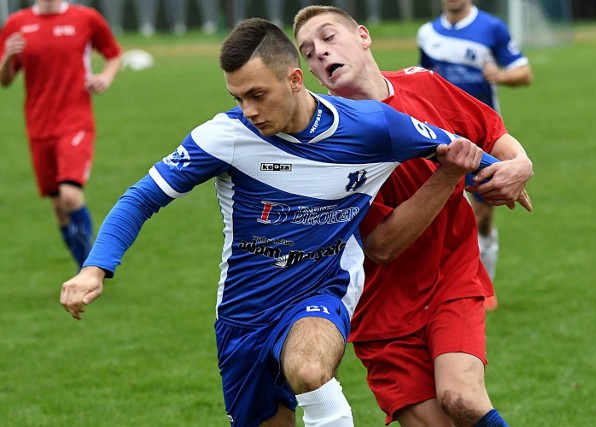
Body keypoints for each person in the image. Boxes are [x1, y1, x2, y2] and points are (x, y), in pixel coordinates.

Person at [59, 17, 507, 427]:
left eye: (258, 95)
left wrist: (508, 172)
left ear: (295, 80)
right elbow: (141, 198)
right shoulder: (224, 137)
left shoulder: (371, 126)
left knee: (310, 370)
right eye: (238, 97)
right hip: (243, 314)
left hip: (321, 292)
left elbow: (456, 151)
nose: (249, 110)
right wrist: (94, 267)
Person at [294, 5, 532, 426]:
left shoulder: (424, 84)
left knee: (462, 398)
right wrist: (450, 173)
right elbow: (382, 246)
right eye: (309, 52)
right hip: (380, 304)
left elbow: (494, 134)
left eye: (329, 38)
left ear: (363, 37)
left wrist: (520, 165)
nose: (321, 54)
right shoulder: (327, 143)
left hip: (450, 272)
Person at [417, 0, 534, 309]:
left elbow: (524, 73)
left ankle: (486, 285)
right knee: (444, 214)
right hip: (441, 137)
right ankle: (451, 287)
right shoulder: (427, 34)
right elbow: (422, 79)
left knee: (481, 216)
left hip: (482, 137)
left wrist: (500, 75)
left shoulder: (491, 28)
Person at [0, 0, 122, 270]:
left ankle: (92, 267)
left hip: (75, 121)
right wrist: (8, 57)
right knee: (58, 207)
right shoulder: (17, 24)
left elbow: (113, 54)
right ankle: (86, 267)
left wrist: (105, 77)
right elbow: (5, 80)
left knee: (70, 195)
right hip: (38, 126)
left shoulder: (86, 18)